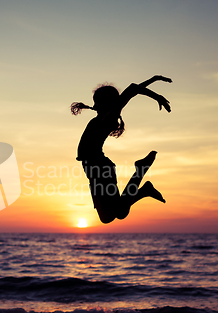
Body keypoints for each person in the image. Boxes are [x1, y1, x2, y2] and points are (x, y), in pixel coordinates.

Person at [71, 75, 172, 224]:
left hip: (100, 168)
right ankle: (144, 191)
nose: (95, 105)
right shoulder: (102, 116)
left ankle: (140, 170)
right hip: (91, 170)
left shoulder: (110, 115)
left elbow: (133, 89)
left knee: (121, 212)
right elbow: (134, 89)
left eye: (97, 101)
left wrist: (157, 95)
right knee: (107, 217)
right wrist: (154, 80)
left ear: (105, 102)